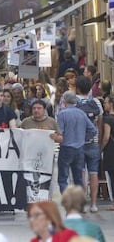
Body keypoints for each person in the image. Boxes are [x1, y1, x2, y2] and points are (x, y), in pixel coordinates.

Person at [56, 91, 97, 194]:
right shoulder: (81, 113)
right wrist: (84, 138)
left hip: (66, 147)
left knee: (63, 178)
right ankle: (80, 203)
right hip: (79, 148)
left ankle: (67, 202)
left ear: (64, 101)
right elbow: (93, 130)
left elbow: (60, 132)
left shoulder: (62, 114)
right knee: (78, 178)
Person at [75, 76, 103, 213]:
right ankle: (93, 204)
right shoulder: (96, 103)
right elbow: (100, 123)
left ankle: (82, 205)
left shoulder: (73, 102)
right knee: (94, 174)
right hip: (94, 143)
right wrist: (99, 140)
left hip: (78, 143)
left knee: (81, 174)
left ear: (77, 88)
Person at [101, 95, 114, 210]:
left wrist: (100, 148)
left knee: (112, 176)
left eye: (106, 102)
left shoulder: (108, 119)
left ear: (111, 104)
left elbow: (106, 137)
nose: (104, 104)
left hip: (111, 150)